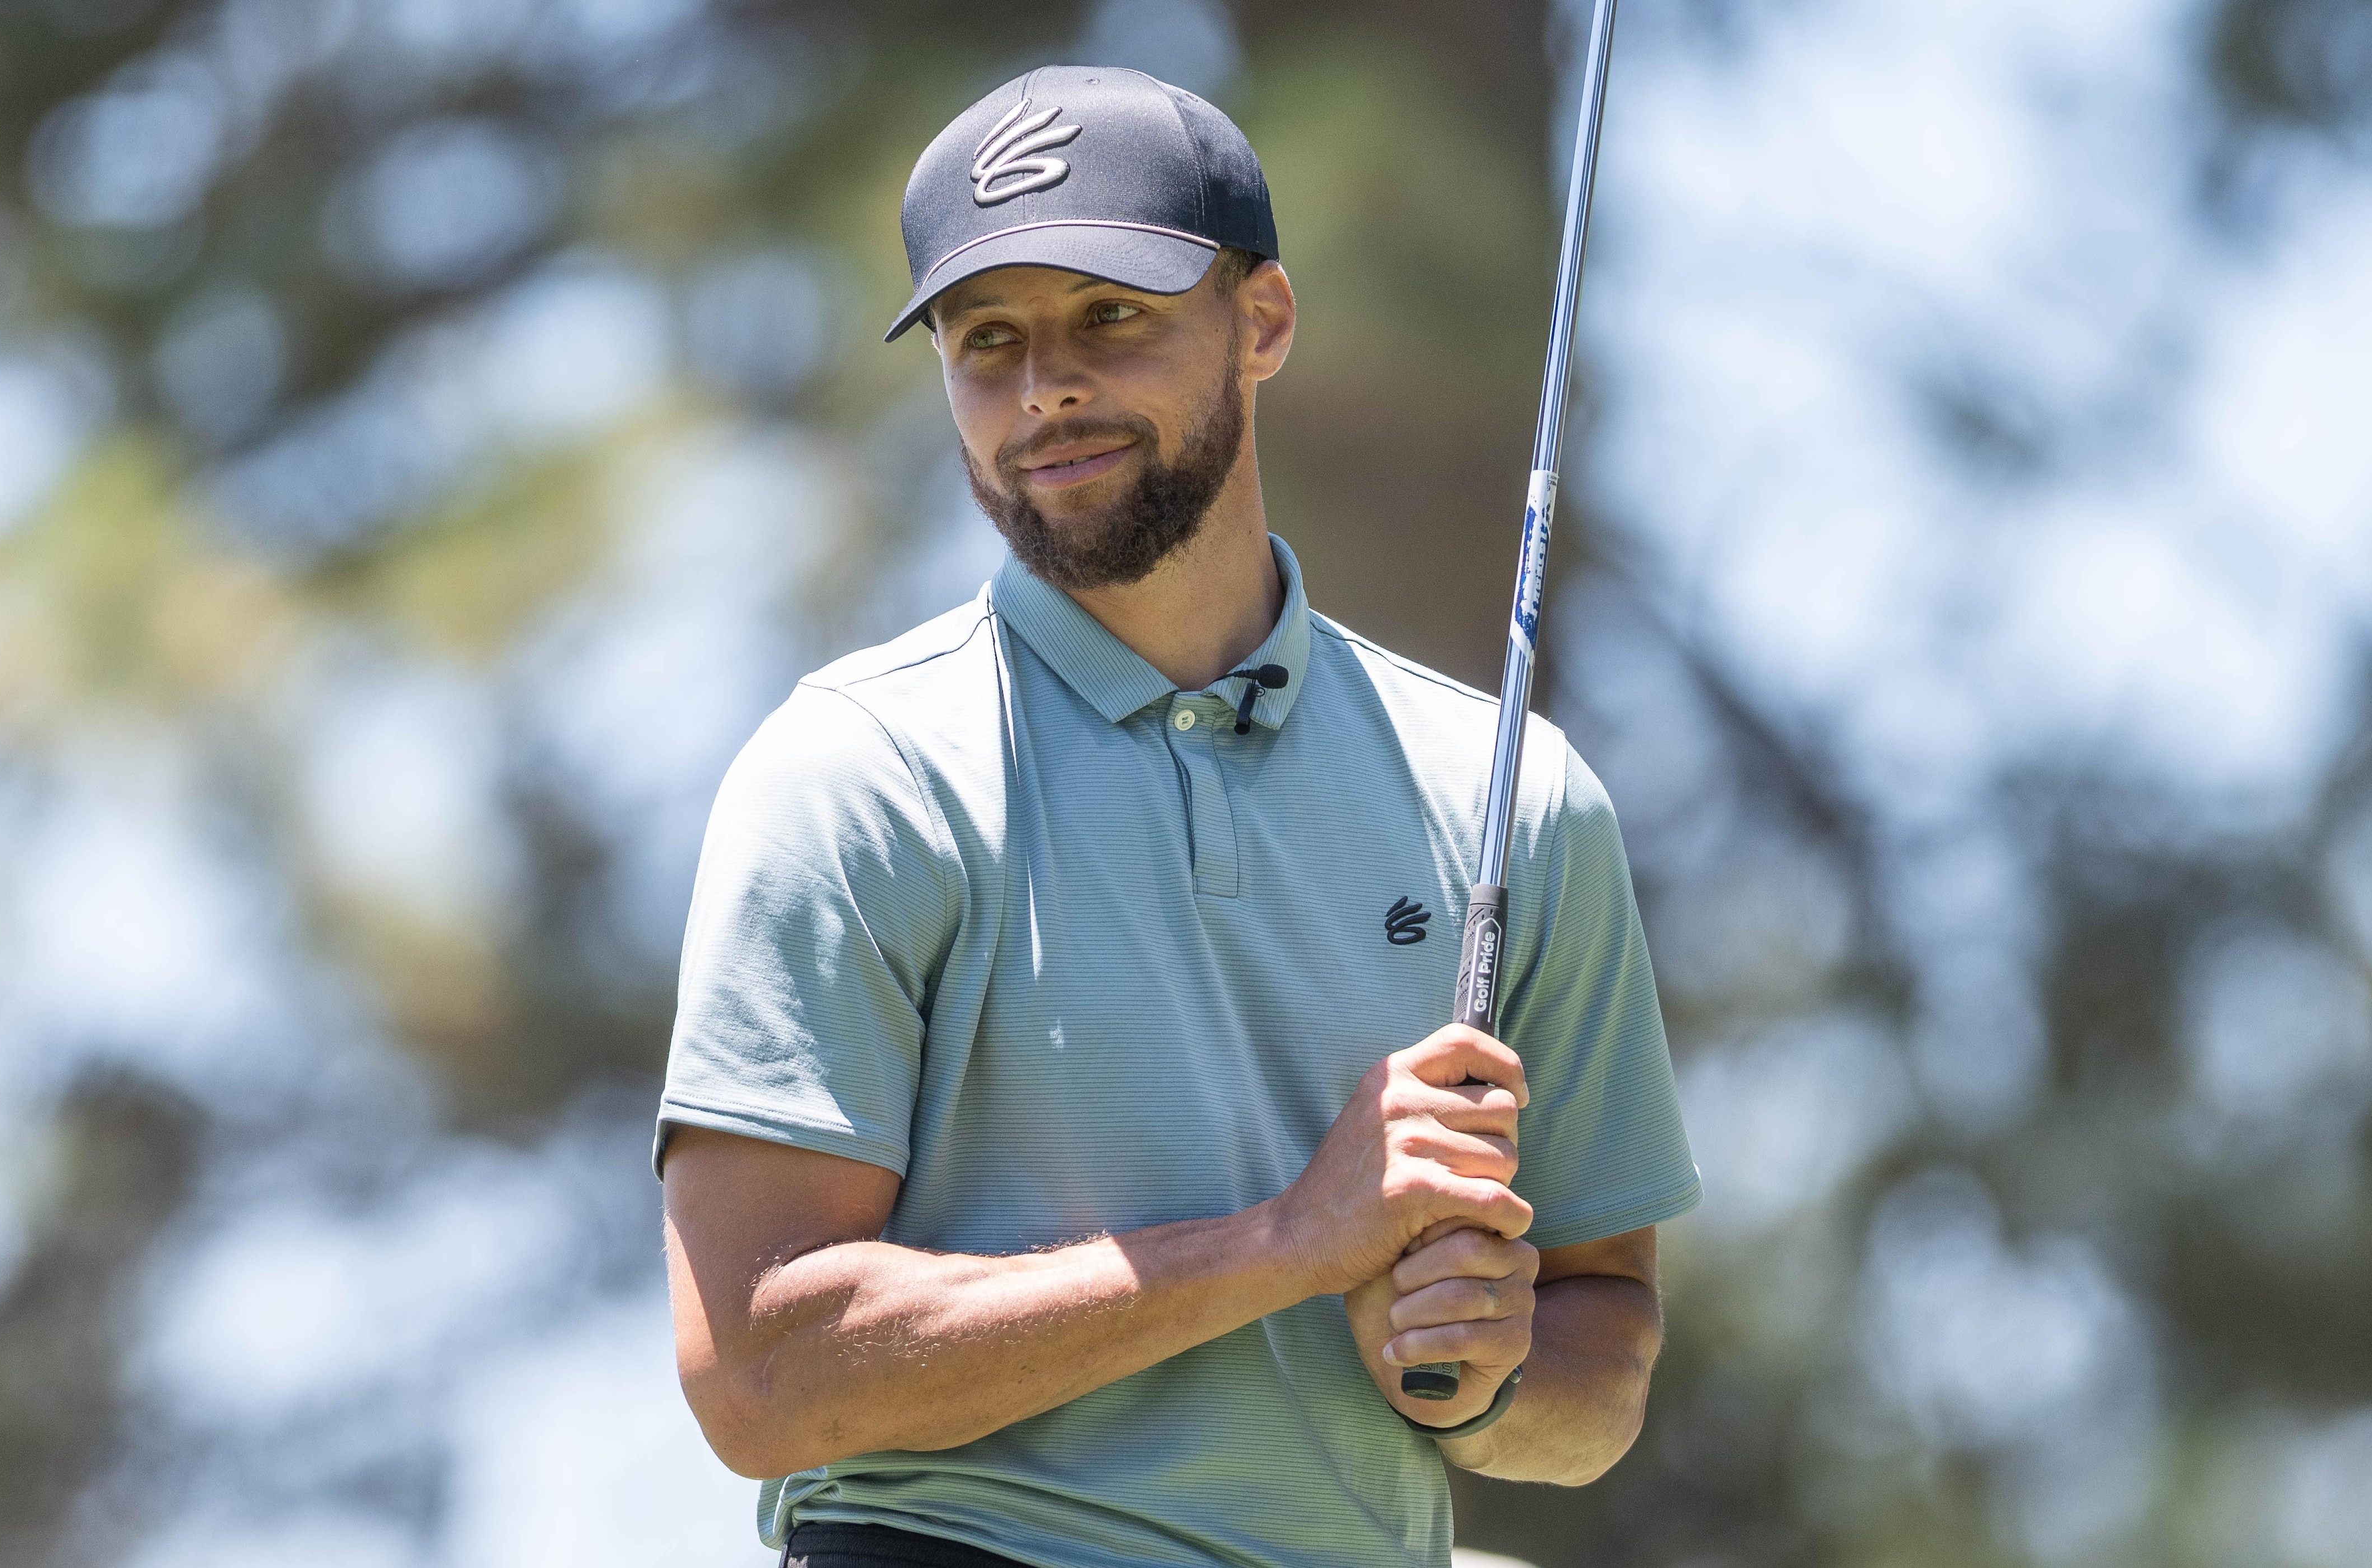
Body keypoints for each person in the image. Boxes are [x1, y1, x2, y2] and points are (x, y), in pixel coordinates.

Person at [657, 65, 1698, 1568]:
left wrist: (1487, 1381)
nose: (1045, 391)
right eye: (986, 342)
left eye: (1110, 318)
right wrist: (1287, 1245)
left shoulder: (1513, 800)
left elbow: (1601, 1351)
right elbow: (758, 1375)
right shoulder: (856, 776)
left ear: (1262, 320)